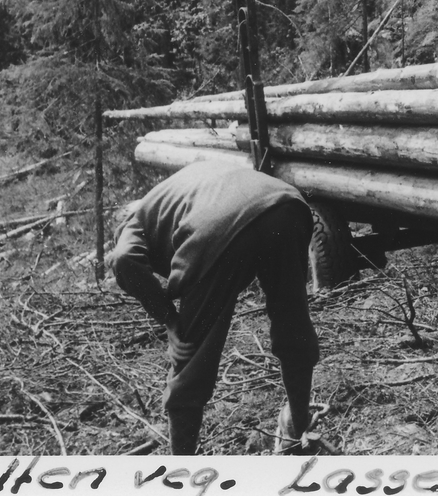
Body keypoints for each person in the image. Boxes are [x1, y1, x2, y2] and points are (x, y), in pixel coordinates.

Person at [109, 161, 320, 455]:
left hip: (214, 228)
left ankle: (181, 474)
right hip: (286, 204)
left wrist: (170, 321)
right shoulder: (181, 187)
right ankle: (298, 429)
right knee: (292, 319)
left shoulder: (136, 217)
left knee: (190, 356)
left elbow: (123, 259)